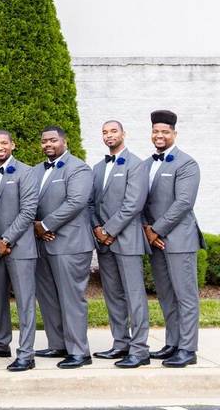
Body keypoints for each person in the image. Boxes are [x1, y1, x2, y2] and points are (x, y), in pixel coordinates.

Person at [143, 109, 204, 368]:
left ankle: (188, 349)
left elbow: (183, 203)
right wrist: (147, 229)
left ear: (174, 134)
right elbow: (139, 201)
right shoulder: (145, 164)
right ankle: (173, 343)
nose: (160, 135)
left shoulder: (187, 163)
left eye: (165, 132)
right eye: (156, 131)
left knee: (185, 296)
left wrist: (156, 229)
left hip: (179, 240)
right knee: (166, 295)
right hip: (155, 240)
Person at [89, 120, 150, 368]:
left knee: (135, 296)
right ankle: (120, 343)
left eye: (113, 131)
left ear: (124, 133)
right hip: (104, 243)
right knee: (113, 295)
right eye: (104, 132)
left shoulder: (136, 164)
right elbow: (90, 203)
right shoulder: (97, 168)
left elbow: (133, 204)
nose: (109, 135)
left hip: (126, 241)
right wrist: (97, 229)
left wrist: (109, 230)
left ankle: (140, 349)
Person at [33, 125, 94, 369]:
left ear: (64, 142)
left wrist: (46, 225)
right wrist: (35, 227)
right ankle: (58, 344)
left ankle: (80, 351)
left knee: (71, 298)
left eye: (53, 140)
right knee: (48, 298)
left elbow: (76, 202)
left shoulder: (78, 168)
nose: (48, 144)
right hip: (42, 244)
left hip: (70, 244)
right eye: (44, 140)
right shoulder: (37, 171)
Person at [0, 131, 38, 372]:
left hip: (19, 247)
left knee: (24, 301)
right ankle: (0, 342)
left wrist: (6, 239)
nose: (0, 147)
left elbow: (28, 211)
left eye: (4, 143)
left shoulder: (26, 172)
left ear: (13, 145)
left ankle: (27, 353)